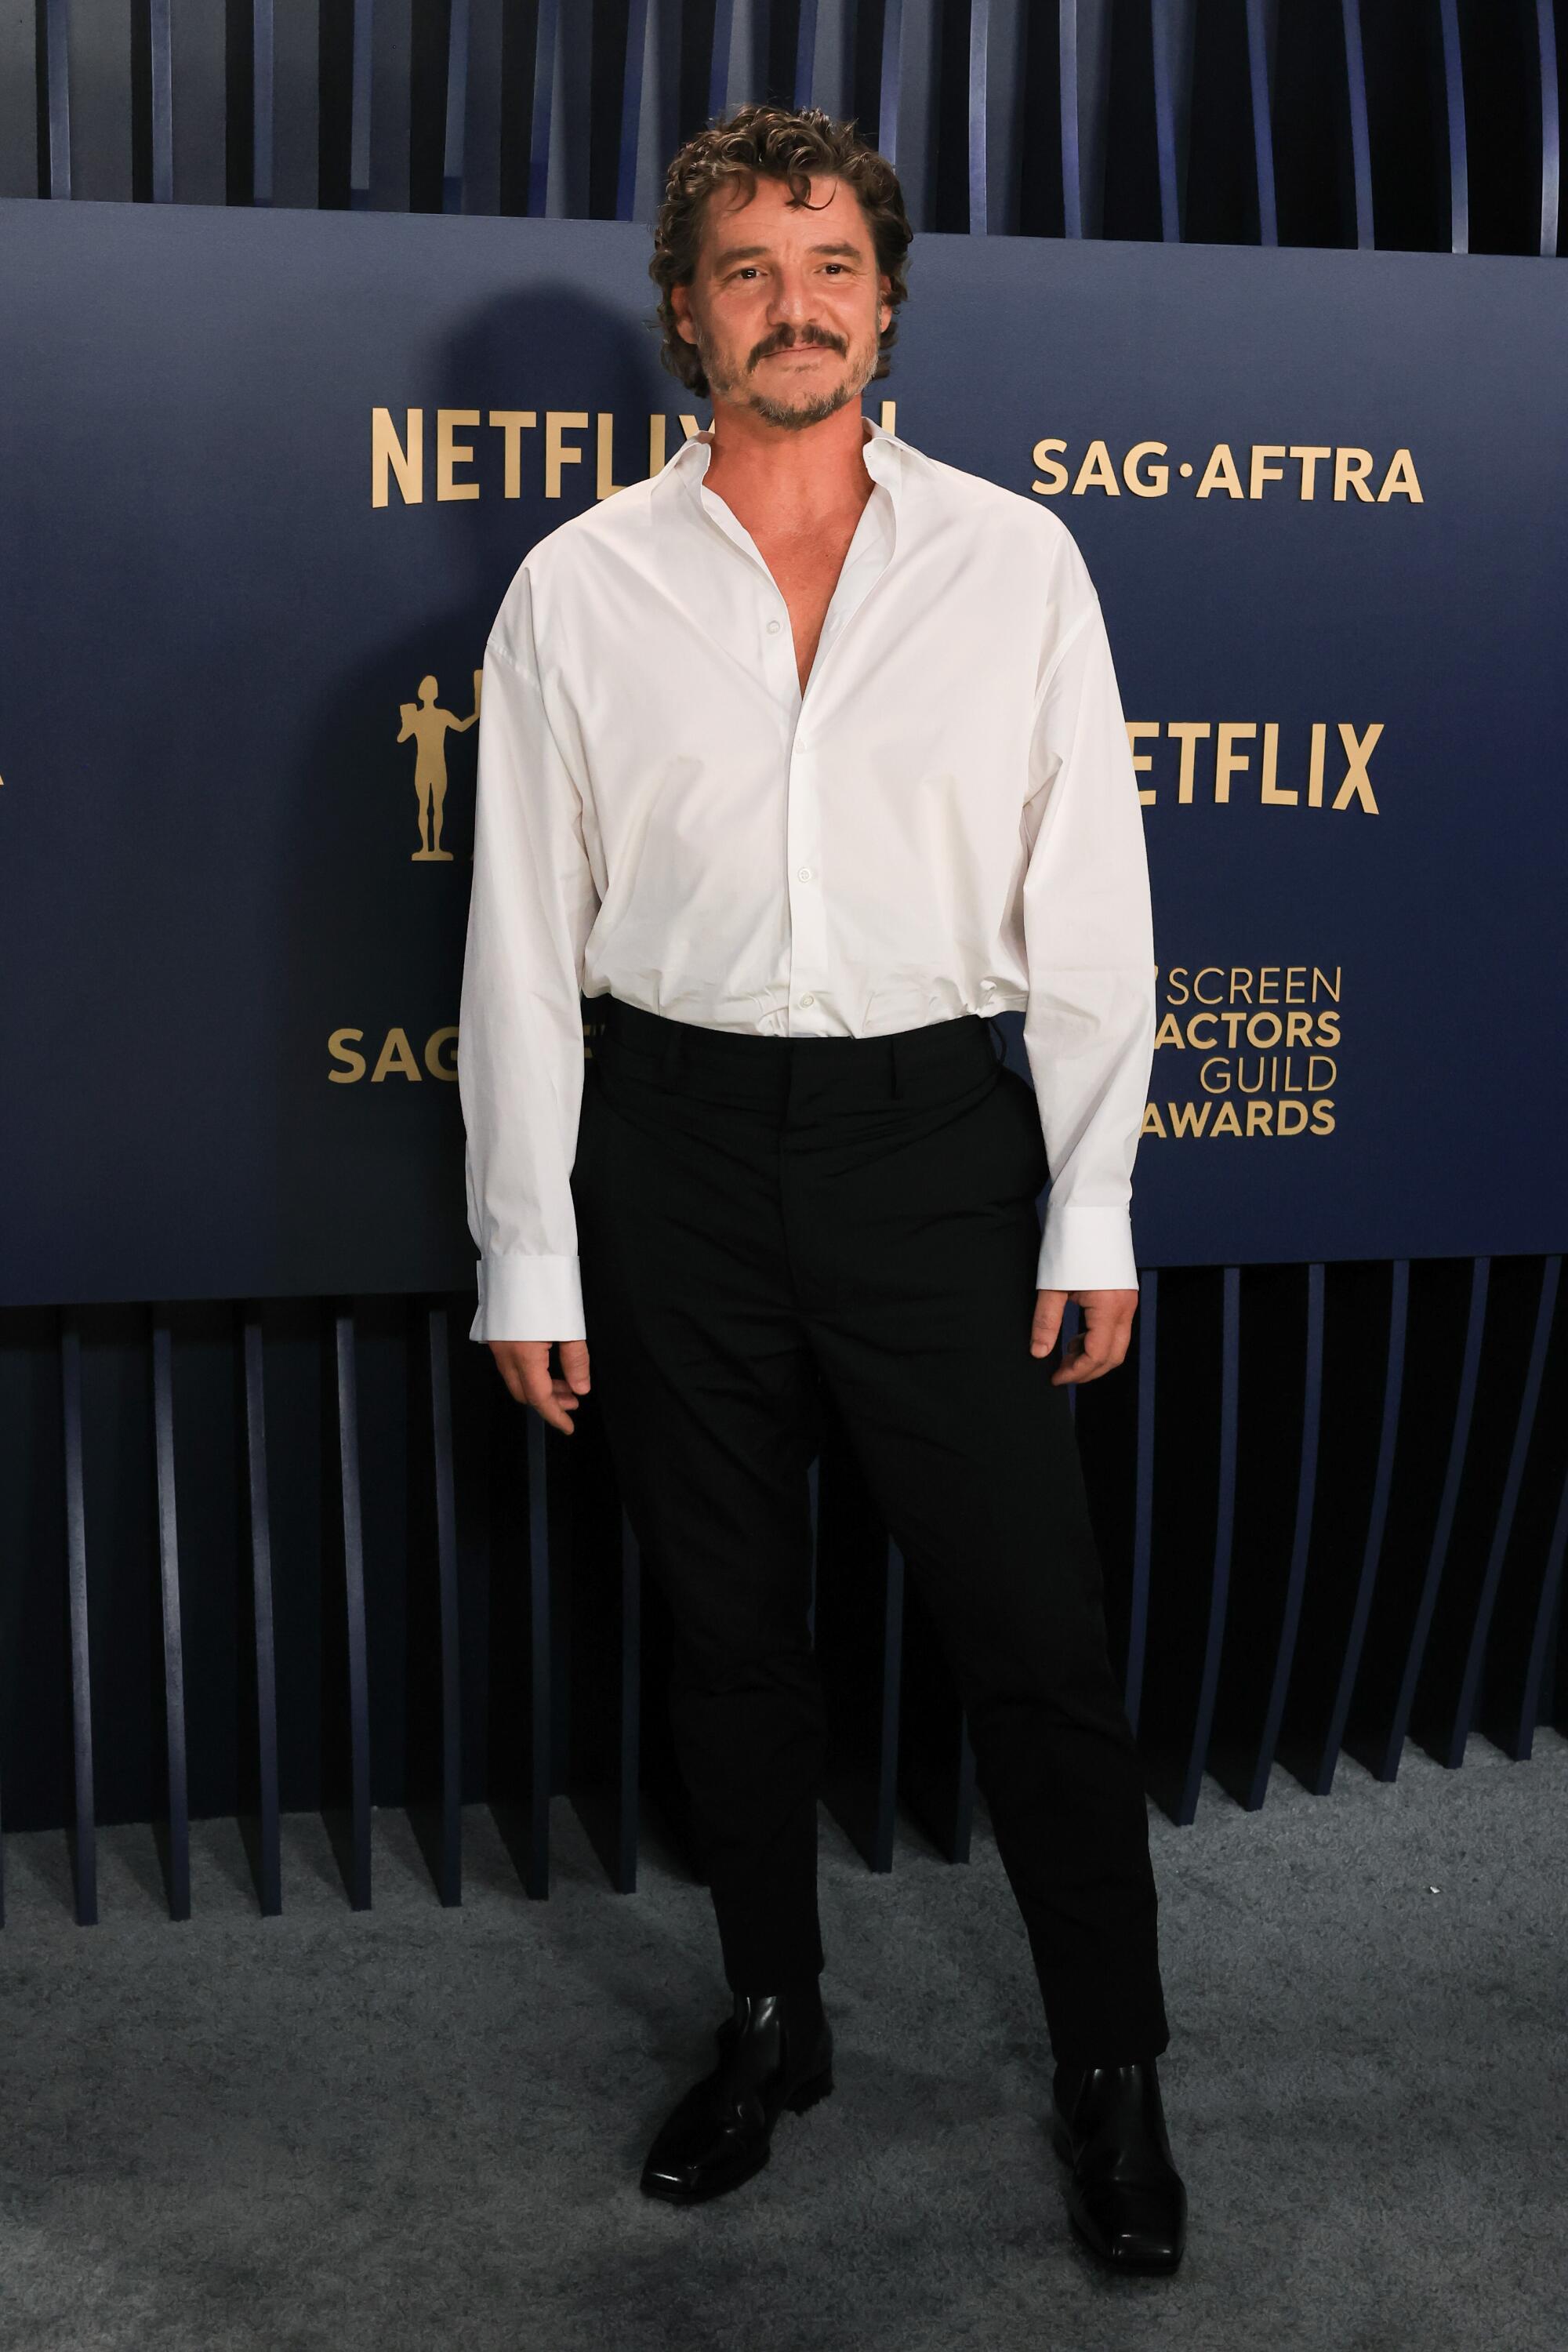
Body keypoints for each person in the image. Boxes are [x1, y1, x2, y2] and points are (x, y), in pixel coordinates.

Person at [457, 102, 1186, 2275]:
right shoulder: (574, 588)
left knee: (1036, 1644)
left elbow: (1093, 908)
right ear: (687, 313)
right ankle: (773, 2020)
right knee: (725, 1639)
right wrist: (529, 1243)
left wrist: (1089, 1201)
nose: (798, 308)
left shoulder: (1017, 562)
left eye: (834, 267)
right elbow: (515, 938)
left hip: (929, 1153)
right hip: (665, 1153)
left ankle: (1112, 2068)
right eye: (752, 273)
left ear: (886, 302)